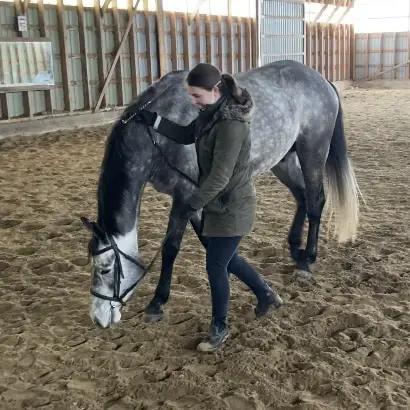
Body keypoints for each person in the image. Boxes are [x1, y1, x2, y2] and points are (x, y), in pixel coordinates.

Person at [136, 63, 283, 352]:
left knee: (215, 266)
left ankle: (220, 328)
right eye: (191, 96)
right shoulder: (209, 115)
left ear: (215, 91)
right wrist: (152, 120)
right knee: (229, 260)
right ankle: (266, 294)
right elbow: (184, 135)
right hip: (216, 203)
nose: (194, 101)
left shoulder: (231, 126)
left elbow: (220, 176)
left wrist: (192, 203)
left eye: (197, 96)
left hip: (233, 205)